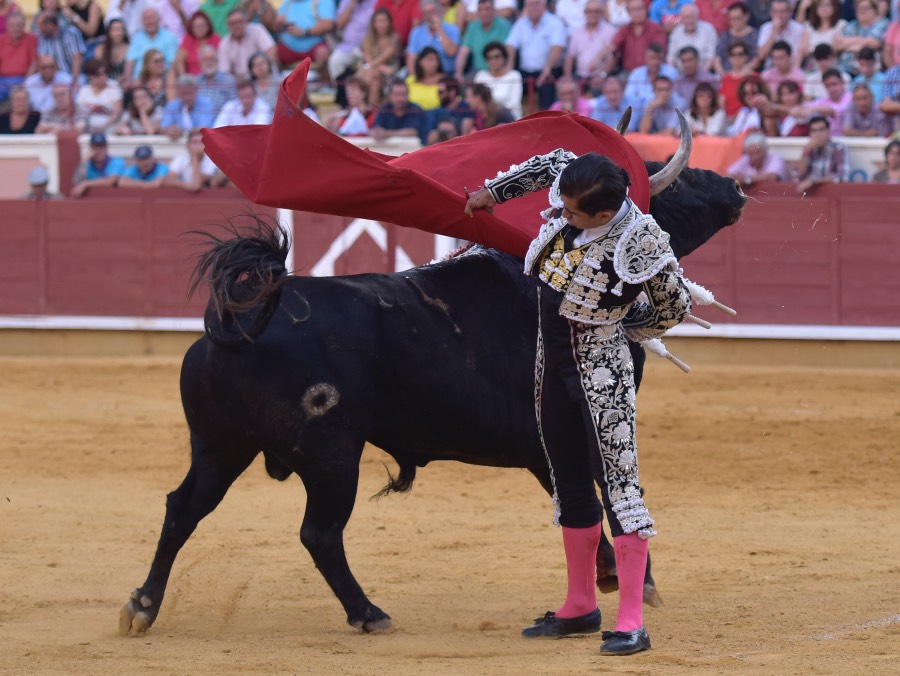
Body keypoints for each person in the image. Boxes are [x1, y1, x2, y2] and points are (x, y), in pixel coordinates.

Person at [464, 150, 692, 657]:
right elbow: (553, 163)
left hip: (601, 371)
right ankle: (580, 605)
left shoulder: (641, 241)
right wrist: (490, 194)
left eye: (571, 212)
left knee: (620, 488)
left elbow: (675, 304)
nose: (559, 214)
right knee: (568, 481)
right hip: (551, 364)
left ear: (605, 215)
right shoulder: (582, 185)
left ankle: (630, 619)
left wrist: (623, 331)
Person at [504, 0, 567, 111]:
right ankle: (512, 120)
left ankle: (547, 122)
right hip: (525, 71)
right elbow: (510, 45)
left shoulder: (555, 22)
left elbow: (557, 47)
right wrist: (509, 66)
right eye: (530, 4)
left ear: (544, 5)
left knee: (547, 86)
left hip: (549, 70)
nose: (534, 7)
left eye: (537, 3)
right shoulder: (521, 23)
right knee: (510, 84)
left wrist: (547, 69)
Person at [274, 0, 336, 80]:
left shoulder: (323, 1)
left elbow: (328, 25)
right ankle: (276, 85)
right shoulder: (288, 3)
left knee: (323, 52)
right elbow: (275, 28)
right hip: (288, 48)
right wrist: (278, 23)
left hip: (314, 48)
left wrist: (304, 32)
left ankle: (324, 85)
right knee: (272, 52)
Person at [604, 0, 668, 74]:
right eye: (633, 10)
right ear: (629, 13)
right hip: (628, 73)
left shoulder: (656, 29)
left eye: (640, 9)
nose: (638, 13)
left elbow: (658, 53)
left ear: (646, 10)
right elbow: (612, 47)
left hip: (651, 73)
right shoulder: (625, 30)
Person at [563, 0, 617, 83]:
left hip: (602, 77)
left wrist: (602, 75)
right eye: (590, 11)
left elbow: (614, 58)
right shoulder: (577, 32)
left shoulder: (610, 31)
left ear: (601, 13)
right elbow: (570, 57)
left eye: (596, 11)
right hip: (580, 76)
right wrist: (568, 77)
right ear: (585, 13)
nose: (593, 14)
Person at [455, 0, 510, 81]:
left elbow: (509, 50)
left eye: (487, 9)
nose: (484, 13)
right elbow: (463, 52)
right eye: (481, 10)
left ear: (494, 10)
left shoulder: (504, 25)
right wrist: (458, 73)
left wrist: (507, 70)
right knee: (463, 85)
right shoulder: (472, 27)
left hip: (499, 70)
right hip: (477, 70)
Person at [356, 7, 401, 106]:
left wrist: (374, 68)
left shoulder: (394, 39)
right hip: (374, 71)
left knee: (367, 76)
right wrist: (376, 68)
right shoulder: (368, 39)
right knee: (374, 83)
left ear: (389, 22)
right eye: (378, 21)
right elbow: (367, 57)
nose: (381, 25)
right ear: (373, 24)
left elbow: (383, 58)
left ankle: (371, 110)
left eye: (383, 21)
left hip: (389, 72)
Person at [218, 8, 277, 80]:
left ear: (245, 21)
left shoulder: (257, 30)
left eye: (239, 22)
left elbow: (271, 51)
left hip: (264, 77)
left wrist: (261, 71)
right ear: (228, 26)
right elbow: (225, 71)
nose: (236, 26)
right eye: (232, 23)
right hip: (241, 84)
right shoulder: (224, 43)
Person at [795, 115, 849, 194]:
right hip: (811, 195)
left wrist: (814, 181)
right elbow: (800, 175)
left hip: (834, 193)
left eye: (821, 129)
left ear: (828, 131)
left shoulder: (839, 148)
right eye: (814, 130)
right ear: (810, 133)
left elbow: (842, 177)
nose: (818, 134)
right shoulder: (808, 149)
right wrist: (806, 152)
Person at [124, 8, 180, 83]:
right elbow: (130, 62)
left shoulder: (170, 37)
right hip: (139, 81)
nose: (149, 21)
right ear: (142, 22)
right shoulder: (137, 38)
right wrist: (128, 80)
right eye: (146, 18)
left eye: (152, 18)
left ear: (159, 19)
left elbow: (173, 63)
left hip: (163, 80)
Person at [834, 0, 889, 75]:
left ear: (875, 10)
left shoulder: (883, 23)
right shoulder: (851, 25)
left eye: (865, 8)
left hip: (871, 72)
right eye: (859, 8)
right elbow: (838, 45)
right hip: (844, 70)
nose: (861, 10)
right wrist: (865, 42)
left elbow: (875, 43)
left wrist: (848, 44)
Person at [326, 0, 376, 84]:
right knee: (335, 61)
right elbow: (340, 24)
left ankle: (361, 95)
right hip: (348, 45)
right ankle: (340, 91)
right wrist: (352, 3)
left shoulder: (375, 2)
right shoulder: (346, 1)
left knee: (366, 70)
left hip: (369, 47)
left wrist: (368, 44)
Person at [406, 0, 460, 76]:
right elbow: (411, 60)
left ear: (440, 11)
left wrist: (439, 29)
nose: (429, 16)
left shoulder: (453, 30)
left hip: (446, 75)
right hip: (422, 77)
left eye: (432, 11)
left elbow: (451, 52)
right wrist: (415, 78)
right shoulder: (416, 32)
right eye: (426, 13)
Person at [473, 40, 522, 119]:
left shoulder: (514, 75)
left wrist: (491, 108)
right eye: (489, 58)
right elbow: (476, 100)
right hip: (485, 117)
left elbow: (513, 104)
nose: (494, 60)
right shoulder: (481, 75)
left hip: (509, 118)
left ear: (504, 58)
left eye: (497, 56)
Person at [753, 0, 806, 71]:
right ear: (771, 13)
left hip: (792, 69)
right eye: (776, 12)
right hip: (770, 69)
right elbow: (761, 55)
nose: (779, 15)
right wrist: (774, 32)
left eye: (783, 12)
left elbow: (798, 55)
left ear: (790, 13)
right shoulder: (766, 28)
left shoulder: (799, 29)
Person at [70, 132, 127, 197]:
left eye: (101, 147)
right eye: (96, 148)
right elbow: (76, 182)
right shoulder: (88, 164)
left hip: (113, 199)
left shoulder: (116, 161)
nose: (99, 151)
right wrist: (84, 162)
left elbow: (111, 181)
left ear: (106, 148)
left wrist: (86, 184)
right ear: (91, 149)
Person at [161, 74, 217, 139]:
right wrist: (169, 131)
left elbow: (204, 129)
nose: (187, 97)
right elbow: (163, 127)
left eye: (190, 93)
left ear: (196, 90)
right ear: (178, 92)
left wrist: (183, 132)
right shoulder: (172, 105)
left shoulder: (206, 104)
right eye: (183, 94)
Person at [76, 58, 123, 133]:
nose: (103, 76)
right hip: (89, 125)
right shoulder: (84, 90)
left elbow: (117, 113)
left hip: (109, 124)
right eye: (98, 74)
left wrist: (103, 127)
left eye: (105, 73)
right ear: (90, 76)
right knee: (79, 125)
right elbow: (80, 113)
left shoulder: (114, 87)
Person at [665, 3, 717, 70]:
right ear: (681, 18)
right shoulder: (676, 33)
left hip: (704, 71)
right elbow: (670, 59)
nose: (689, 21)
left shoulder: (708, 29)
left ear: (697, 16)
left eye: (691, 17)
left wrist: (701, 74)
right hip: (681, 74)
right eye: (686, 17)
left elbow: (711, 57)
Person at [0, 12, 36, 105]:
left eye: (19, 25)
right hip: (3, 80)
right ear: (7, 26)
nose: (15, 29)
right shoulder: (1, 40)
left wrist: (26, 82)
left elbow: (34, 62)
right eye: (12, 25)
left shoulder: (31, 39)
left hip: (23, 79)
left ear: (24, 25)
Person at [36, 11, 85, 79]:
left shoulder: (72, 33)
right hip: (54, 78)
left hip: (75, 75)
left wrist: (74, 80)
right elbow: (43, 60)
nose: (39, 30)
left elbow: (77, 58)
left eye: (40, 26)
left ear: (49, 25)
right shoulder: (42, 37)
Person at [713, 1, 758, 74]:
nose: (735, 22)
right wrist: (722, 74)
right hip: (726, 74)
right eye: (732, 19)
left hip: (747, 75)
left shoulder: (754, 35)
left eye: (738, 18)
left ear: (746, 16)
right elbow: (717, 57)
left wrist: (741, 73)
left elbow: (757, 59)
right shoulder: (725, 36)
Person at [174, 10, 220, 76]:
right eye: (196, 26)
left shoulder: (216, 38)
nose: (199, 29)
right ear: (192, 28)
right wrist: (184, 78)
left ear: (208, 26)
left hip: (214, 78)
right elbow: (179, 61)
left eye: (202, 25)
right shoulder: (188, 39)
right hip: (193, 81)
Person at [196, 44, 237, 115]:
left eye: (211, 59)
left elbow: (234, 106)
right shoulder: (195, 82)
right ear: (200, 62)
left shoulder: (228, 81)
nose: (209, 63)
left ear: (217, 61)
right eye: (205, 60)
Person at [719, 40, 754, 118]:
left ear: (746, 57)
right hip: (729, 119)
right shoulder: (726, 78)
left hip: (747, 118)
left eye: (740, 54)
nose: (737, 57)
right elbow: (722, 102)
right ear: (729, 58)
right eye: (733, 55)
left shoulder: (754, 77)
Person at [405, 45, 444, 110]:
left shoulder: (444, 81)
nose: (434, 63)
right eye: (430, 60)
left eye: (436, 60)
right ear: (420, 62)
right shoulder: (411, 80)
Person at [95, 18, 129, 85]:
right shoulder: (100, 49)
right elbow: (98, 70)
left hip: (124, 84)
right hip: (104, 83)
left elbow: (128, 73)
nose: (118, 33)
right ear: (109, 32)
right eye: (115, 30)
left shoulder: (130, 48)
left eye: (121, 29)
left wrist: (116, 82)